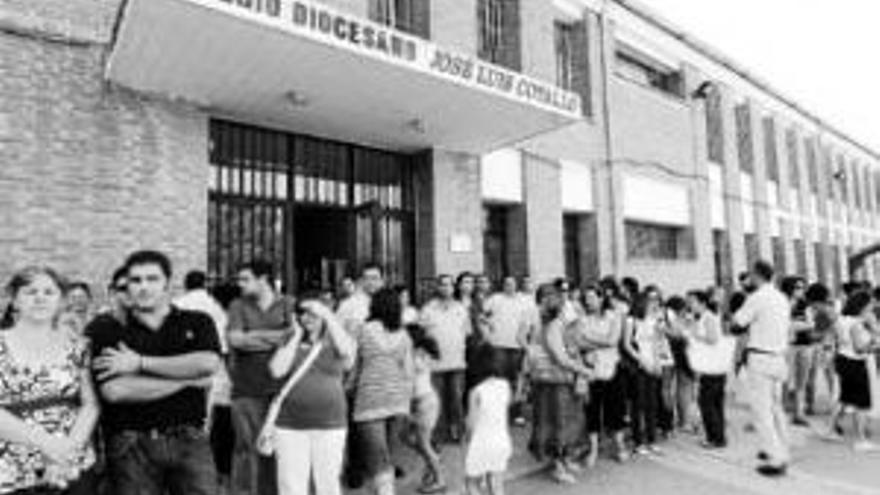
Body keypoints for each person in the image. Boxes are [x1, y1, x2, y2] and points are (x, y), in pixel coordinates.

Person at [88, 250, 221, 494]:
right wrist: (187, 379)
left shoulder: (197, 321)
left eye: (152, 279)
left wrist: (139, 363)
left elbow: (207, 363)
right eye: (136, 280)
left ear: (168, 284)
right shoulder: (106, 328)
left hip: (189, 438)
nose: (143, 287)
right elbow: (115, 391)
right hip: (131, 443)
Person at [0, 267, 100, 494]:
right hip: (10, 468)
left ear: (61, 301)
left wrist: (68, 451)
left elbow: (90, 404)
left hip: (72, 465)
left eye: (48, 292)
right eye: (30, 291)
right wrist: (48, 445)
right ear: (14, 300)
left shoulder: (79, 346)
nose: (40, 298)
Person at [267, 295, 356, 495]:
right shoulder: (290, 337)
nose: (307, 317)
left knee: (328, 484)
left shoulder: (336, 336)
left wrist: (327, 314)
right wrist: (297, 335)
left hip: (330, 424)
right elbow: (277, 370)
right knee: (291, 486)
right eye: (302, 312)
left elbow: (348, 356)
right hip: (289, 424)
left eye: (313, 312)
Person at [227, 259, 296, 495]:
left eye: (245, 279)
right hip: (245, 388)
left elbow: (295, 337)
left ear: (264, 279)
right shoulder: (237, 305)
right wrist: (277, 337)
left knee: (276, 449)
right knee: (245, 449)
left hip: (281, 389)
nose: (240, 284)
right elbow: (235, 340)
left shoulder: (288, 303)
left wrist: (252, 337)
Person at [350, 288, 414, 495]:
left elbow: (353, 365)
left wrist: (348, 387)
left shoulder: (364, 329)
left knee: (377, 459)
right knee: (388, 456)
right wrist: (408, 400)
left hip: (370, 398)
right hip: (398, 399)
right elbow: (408, 371)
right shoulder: (403, 334)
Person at [526, 284, 592, 484]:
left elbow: (570, 347)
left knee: (562, 421)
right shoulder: (553, 325)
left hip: (554, 380)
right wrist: (584, 370)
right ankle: (558, 465)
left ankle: (564, 459)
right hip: (555, 382)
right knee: (558, 423)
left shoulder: (553, 324)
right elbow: (560, 357)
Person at [173, 270, 233, 487]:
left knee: (184, 419)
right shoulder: (215, 307)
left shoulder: (176, 304)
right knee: (211, 421)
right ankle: (216, 471)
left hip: (180, 368)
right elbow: (225, 346)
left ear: (185, 284)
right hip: (212, 367)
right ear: (205, 283)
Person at [733, 260, 791, 477]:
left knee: (762, 412)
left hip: (761, 358)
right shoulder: (781, 297)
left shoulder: (756, 297)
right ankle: (780, 448)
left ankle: (777, 459)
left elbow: (737, 323)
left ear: (756, 275)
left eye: (751, 276)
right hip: (779, 358)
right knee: (776, 407)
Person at [573, 285, 628, 466]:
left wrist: (590, 339)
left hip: (612, 367)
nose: (589, 301)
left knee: (616, 408)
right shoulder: (582, 319)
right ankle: (594, 449)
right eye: (586, 298)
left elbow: (613, 340)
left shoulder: (614, 316)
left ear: (601, 298)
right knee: (592, 410)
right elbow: (579, 343)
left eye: (592, 297)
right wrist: (600, 342)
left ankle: (619, 446)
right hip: (591, 369)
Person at [826, 291, 880, 451]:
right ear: (862, 306)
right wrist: (874, 345)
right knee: (862, 402)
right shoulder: (857, 323)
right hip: (855, 362)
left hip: (842, 359)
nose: (873, 306)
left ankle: (830, 430)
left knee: (844, 397)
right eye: (870, 304)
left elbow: (839, 340)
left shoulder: (842, 320)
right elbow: (859, 348)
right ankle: (861, 439)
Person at [420, 274, 469, 444]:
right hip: (435, 365)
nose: (445, 288)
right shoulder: (427, 309)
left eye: (449, 285)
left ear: (453, 288)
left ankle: (459, 433)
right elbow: (422, 337)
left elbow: (466, 332)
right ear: (437, 287)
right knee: (437, 401)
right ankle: (439, 436)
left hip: (456, 362)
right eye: (442, 285)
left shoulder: (461, 308)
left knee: (456, 400)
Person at [623, 288, 672, 455]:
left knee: (652, 403)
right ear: (642, 302)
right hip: (638, 364)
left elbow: (658, 343)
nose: (655, 304)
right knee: (638, 404)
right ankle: (638, 442)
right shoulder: (631, 320)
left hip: (653, 362)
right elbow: (627, 344)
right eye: (651, 301)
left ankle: (652, 439)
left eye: (657, 301)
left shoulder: (655, 320)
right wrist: (640, 360)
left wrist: (658, 363)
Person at [402, 323, 446, 494]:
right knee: (405, 436)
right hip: (418, 403)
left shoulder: (418, 354)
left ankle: (439, 479)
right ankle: (433, 459)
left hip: (425, 402)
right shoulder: (413, 353)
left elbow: (412, 374)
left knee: (423, 443)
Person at [684, 289, 729, 449]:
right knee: (714, 403)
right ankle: (719, 437)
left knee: (708, 403)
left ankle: (714, 438)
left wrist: (695, 334)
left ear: (702, 303)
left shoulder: (708, 317)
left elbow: (713, 339)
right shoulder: (702, 317)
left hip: (713, 366)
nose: (690, 305)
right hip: (711, 365)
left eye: (692, 302)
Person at [464, 346, 512, 495]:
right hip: (502, 441)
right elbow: (504, 411)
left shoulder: (476, 391)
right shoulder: (505, 386)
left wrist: (466, 438)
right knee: (497, 485)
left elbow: (471, 424)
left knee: (471, 483)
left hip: (481, 442)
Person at [483, 276, 529, 423]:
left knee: (517, 381)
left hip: (517, 346)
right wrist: (489, 329)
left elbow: (529, 321)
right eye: (506, 284)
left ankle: (517, 414)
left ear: (517, 285)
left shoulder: (523, 301)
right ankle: (500, 415)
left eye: (512, 284)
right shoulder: (495, 299)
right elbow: (481, 316)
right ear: (502, 285)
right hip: (498, 346)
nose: (509, 286)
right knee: (499, 381)